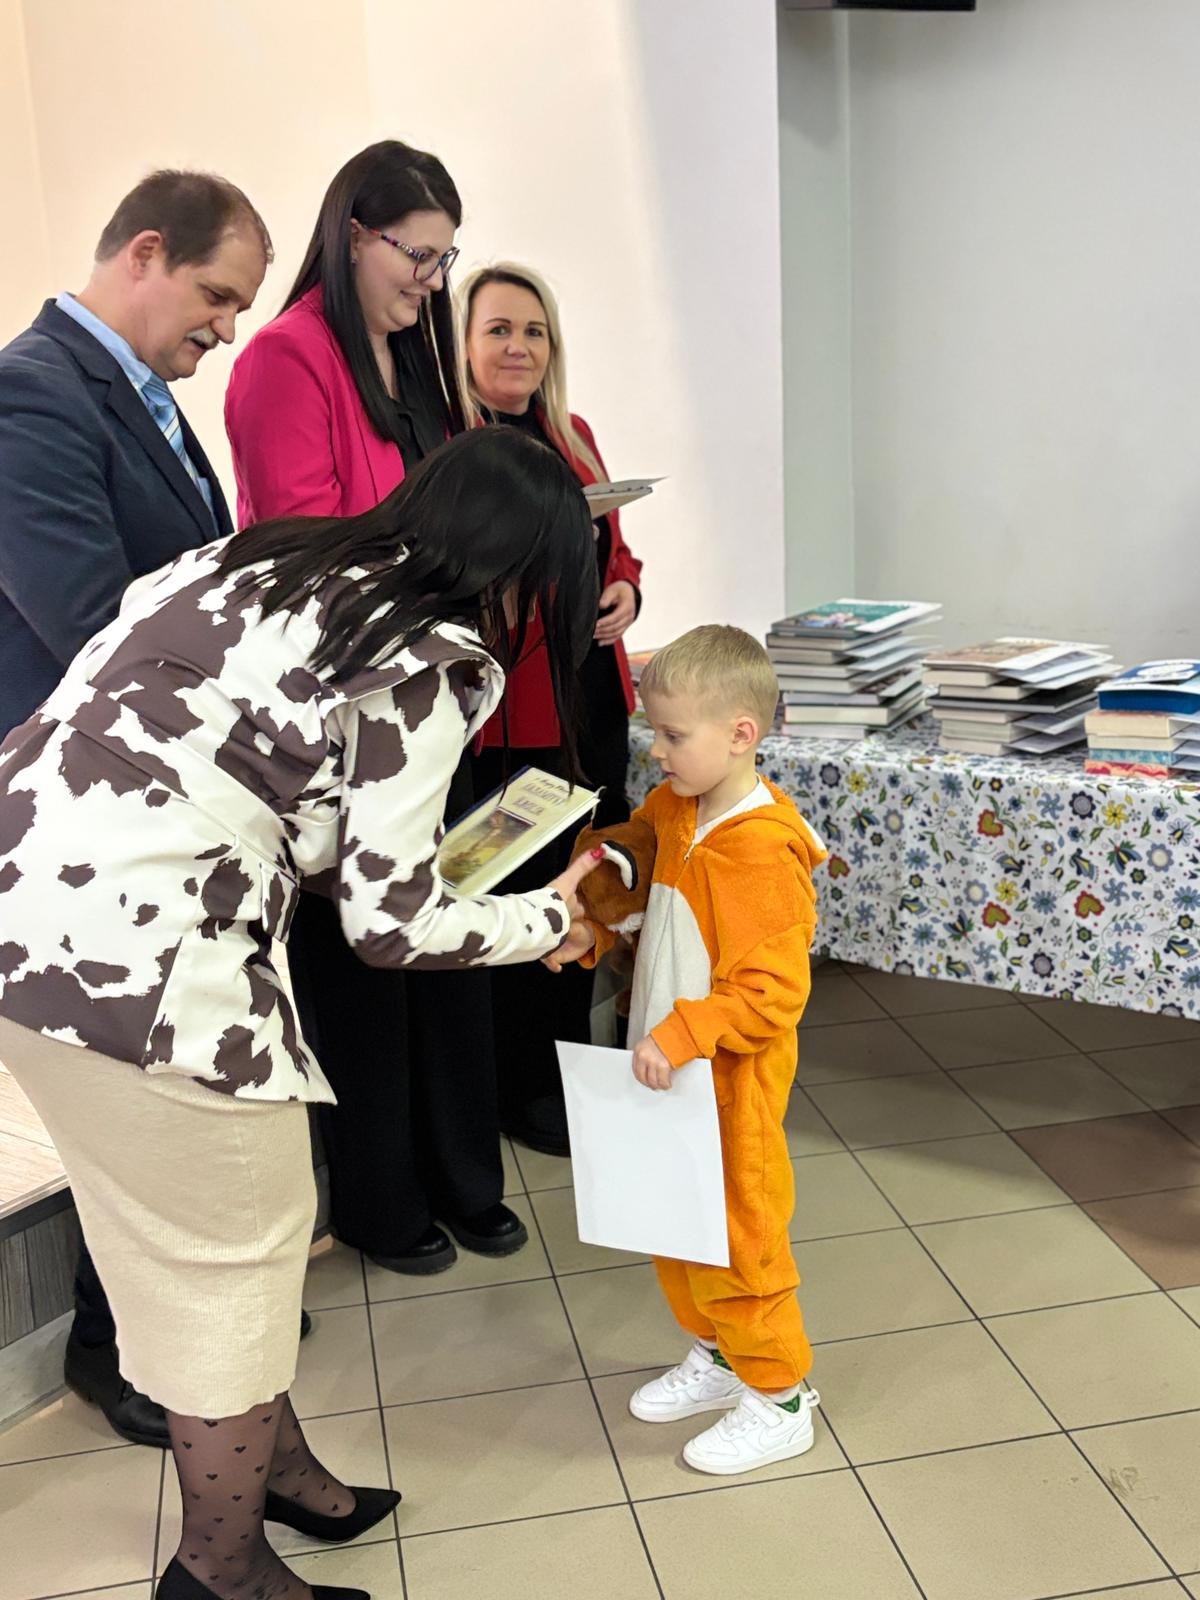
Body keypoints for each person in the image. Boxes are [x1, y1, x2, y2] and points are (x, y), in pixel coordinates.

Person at [0, 426, 603, 1600]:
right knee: (234, 1260)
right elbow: (394, 926)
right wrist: (547, 919)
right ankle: (220, 1570)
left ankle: (282, 1476)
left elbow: (234, 764)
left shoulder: (261, 559)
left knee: (169, 1244)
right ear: (527, 567)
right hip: (152, 972)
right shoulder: (423, 656)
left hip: (26, 918)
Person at [0, 168, 271, 1449]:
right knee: (127, 1091)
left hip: (166, 800)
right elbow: (93, 628)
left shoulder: (147, 398)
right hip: (94, 816)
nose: (227, 327)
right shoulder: (33, 394)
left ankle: (181, 1329)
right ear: (146, 252)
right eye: (217, 295)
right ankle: (122, 1352)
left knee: (171, 1083)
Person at [225, 140, 522, 1277]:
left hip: (431, 700)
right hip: (349, 716)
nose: (432, 282)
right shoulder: (286, 358)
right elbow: (303, 546)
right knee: (367, 962)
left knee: (448, 945)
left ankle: (464, 1175)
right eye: (417, 256)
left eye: (446, 260)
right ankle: (383, 1200)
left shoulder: (417, 358)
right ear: (354, 234)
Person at [552, 625, 827, 1475]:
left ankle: (781, 1396)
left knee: (741, 1238)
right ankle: (717, 1355)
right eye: (654, 731)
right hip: (666, 1073)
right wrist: (591, 920)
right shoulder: (677, 807)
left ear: (741, 734)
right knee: (675, 1222)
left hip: (728, 1088)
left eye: (673, 736)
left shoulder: (762, 852)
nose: (656, 751)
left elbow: (772, 992)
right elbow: (640, 873)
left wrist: (681, 1034)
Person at [459, 263, 644, 1155]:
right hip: (514, 719)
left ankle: (571, 1074)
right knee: (522, 897)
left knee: (588, 888)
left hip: (591, 702)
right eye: (498, 329)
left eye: (533, 331)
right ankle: (522, 1087)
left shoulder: (574, 436)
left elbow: (620, 554)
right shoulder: (458, 448)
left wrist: (626, 593)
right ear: (462, 344)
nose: (518, 347)